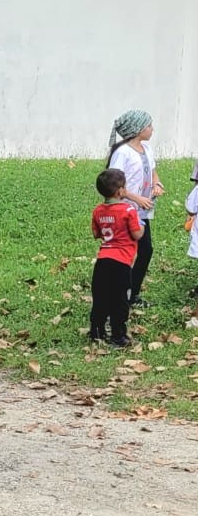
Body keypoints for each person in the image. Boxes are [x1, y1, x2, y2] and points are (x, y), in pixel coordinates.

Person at [106, 110, 163, 306]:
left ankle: (131, 293)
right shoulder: (122, 153)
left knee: (146, 251)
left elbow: (153, 172)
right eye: (149, 125)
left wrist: (157, 184)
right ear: (138, 130)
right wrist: (137, 198)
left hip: (141, 211)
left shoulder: (146, 149)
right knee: (125, 252)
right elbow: (113, 184)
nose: (152, 129)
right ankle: (119, 293)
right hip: (125, 211)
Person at [90, 168, 142, 348]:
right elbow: (136, 235)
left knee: (101, 297)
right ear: (120, 191)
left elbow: (96, 233)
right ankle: (118, 335)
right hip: (122, 262)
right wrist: (141, 227)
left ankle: (96, 331)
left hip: (103, 260)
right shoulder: (128, 209)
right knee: (120, 299)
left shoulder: (97, 211)